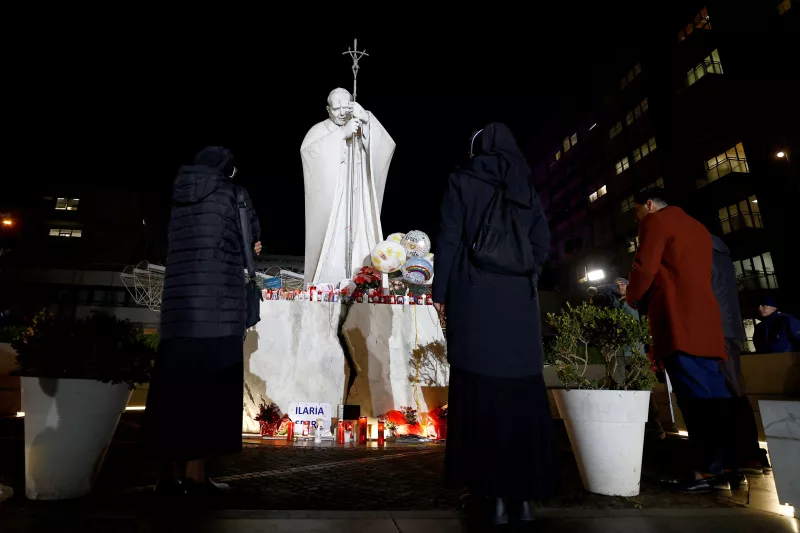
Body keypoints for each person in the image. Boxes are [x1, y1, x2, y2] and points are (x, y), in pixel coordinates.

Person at [433, 123, 555, 525]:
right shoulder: (525, 187)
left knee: (479, 392)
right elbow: (542, 242)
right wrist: (527, 278)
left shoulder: (461, 181)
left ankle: (491, 495)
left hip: (475, 299)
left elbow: (449, 240)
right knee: (522, 396)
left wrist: (440, 296)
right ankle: (523, 499)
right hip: (519, 304)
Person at [142, 146, 261, 500]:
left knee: (171, 393)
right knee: (208, 394)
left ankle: (166, 477)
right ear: (227, 168)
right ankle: (196, 475)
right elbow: (249, 242)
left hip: (178, 314)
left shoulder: (179, 198)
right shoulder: (233, 194)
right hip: (218, 310)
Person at [626, 189, 731, 493]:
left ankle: (706, 471)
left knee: (695, 399)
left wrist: (631, 297)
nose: (637, 219)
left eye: (636, 212)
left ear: (649, 204)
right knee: (716, 394)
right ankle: (726, 465)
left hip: (678, 319)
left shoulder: (656, 221)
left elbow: (644, 266)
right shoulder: (698, 227)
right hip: (706, 321)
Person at [300, 88, 396, 285]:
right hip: (334, 199)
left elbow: (386, 145)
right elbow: (309, 154)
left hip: (358, 195)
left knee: (362, 234)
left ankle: (364, 281)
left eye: (347, 106)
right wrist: (341, 136)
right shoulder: (319, 130)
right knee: (332, 244)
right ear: (328, 109)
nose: (343, 112)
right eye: (337, 108)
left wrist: (367, 120)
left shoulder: (359, 124)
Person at [711, 235, 769, 478]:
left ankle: (740, 455)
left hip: (717, 331)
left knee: (726, 393)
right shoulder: (722, 255)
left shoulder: (706, 256)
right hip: (730, 329)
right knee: (735, 390)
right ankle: (750, 453)